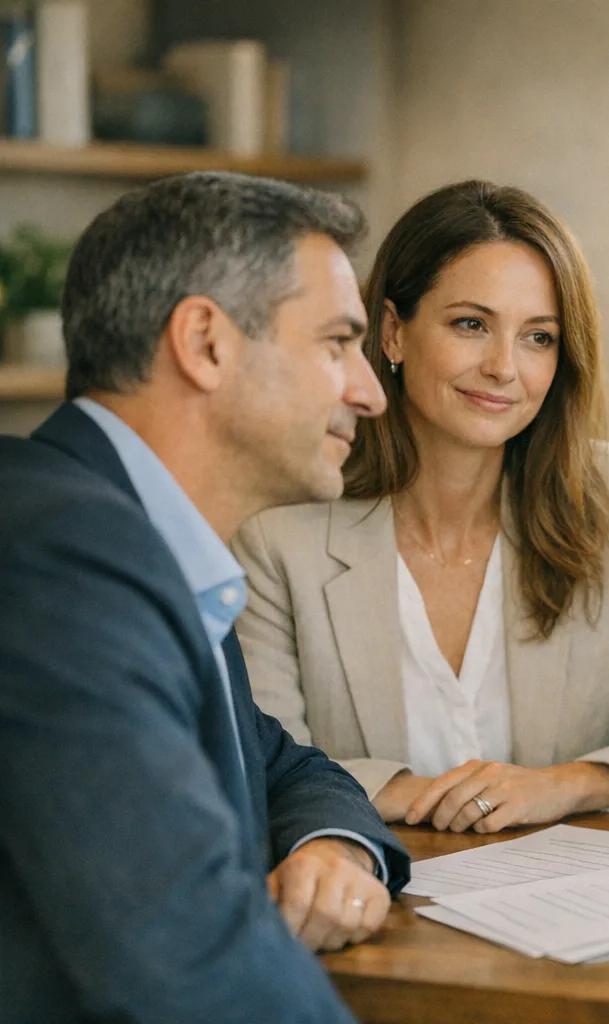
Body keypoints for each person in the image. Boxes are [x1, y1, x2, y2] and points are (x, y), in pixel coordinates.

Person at [0, 172, 411, 1023]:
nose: (370, 391)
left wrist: (332, 841)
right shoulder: (64, 557)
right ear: (206, 343)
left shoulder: (131, 533)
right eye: (338, 343)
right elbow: (187, 961)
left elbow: (270, 757)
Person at [232, 180, 609, 834]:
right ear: (392, 333)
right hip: (368, 896)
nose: (505, 367)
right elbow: (262, 763)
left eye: (539, 337)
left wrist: (563, 785)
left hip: (562, 906)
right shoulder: (280, 526)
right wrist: (427, 796)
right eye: (471, 325)